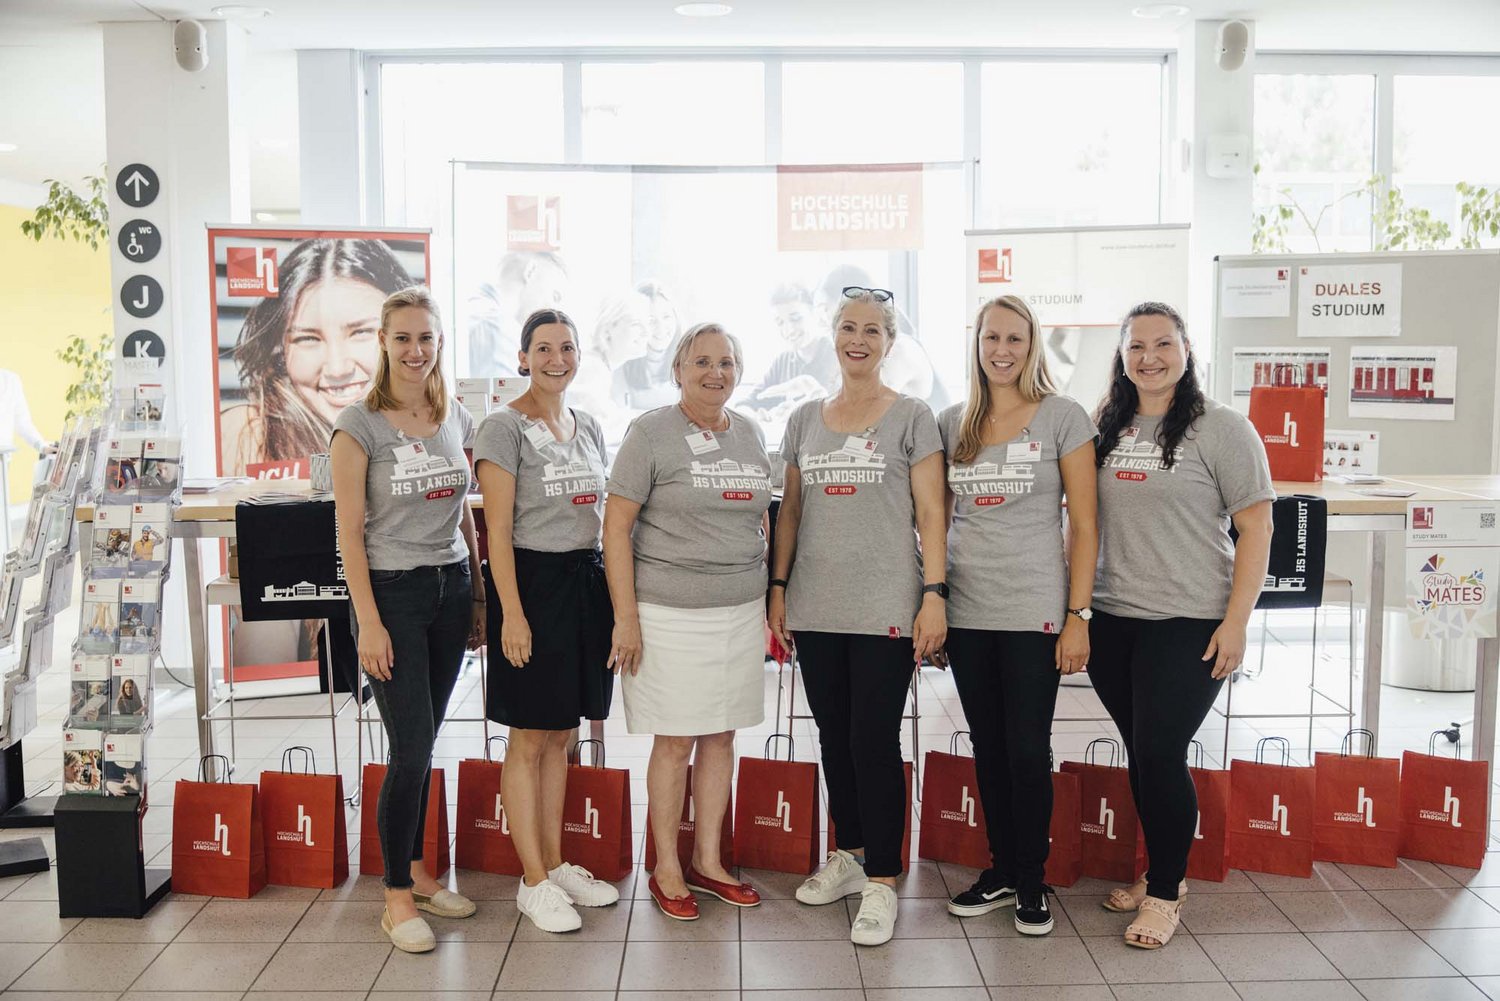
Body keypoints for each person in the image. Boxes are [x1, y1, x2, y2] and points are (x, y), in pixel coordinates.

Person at [1088, 301, 1273, 950]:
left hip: (1190, 621)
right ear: (1121, 354)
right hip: (1114, 619)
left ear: (1187, 348)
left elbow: (1257, 526)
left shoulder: (1221, 428)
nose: (1149, 357)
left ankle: (1166, 891)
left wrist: (1237, 622)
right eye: (1136, 345)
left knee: (1161, 753)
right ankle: (1159, 869)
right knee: (1143, 750)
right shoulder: (1107, 424)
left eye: (1163, 343)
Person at [768, 286, 947, 947]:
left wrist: (935, 592)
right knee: (834, 734)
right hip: (816, 602)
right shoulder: (805, 418)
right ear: (832, 334)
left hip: (885, 607)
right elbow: (789, 511)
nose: (859, 339)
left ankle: (883, 877)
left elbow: (932, 512)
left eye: (872, 329)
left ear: (889, 342)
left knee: (873, 738)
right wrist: (779, 587)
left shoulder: (912, 416)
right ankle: (847, 851)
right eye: (848, 327)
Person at [330, 285, 484, 954]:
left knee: (425, 738)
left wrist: (476, 593)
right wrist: (367, 621)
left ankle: (419, 871)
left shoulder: (457, 417)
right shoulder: (358, 424)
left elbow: (466, 514)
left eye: (426, 337)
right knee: (412, 744)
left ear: (440, 342)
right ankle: (395, 897)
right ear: (384, 343)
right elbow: (349, 534)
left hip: (450, 590)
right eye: (402, 338)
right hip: (391, 594)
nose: (415, 349)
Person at [938, 295, 1098, 935]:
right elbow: (937, 520)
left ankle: (1033, 879)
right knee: (988, 745)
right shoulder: (954, 422)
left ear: (1033, 346)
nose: (1002, 350)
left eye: (1015, 339)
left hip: (1034, 610)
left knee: (1028, 748)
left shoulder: (1062, 416)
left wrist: (1078, 614)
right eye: (991, 338)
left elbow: (1084, 525)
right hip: (970, 612)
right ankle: (1003, 869)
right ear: (976, 344)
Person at [604, 323, 772, 922]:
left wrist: (767, 592)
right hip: (668, 613)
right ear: (677, 369)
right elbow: (615, 529)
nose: (715, 372)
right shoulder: (650, 432)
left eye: (726, 362)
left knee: (722, 736)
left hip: (738, 610)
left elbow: (761, 519)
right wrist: (626, 618)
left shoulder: (749, 432)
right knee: (675, 741)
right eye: (701, 361)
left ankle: (709, 861)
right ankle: (667, 866)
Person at [473, 308, 619, 934]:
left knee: (562, 733)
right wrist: (511, 612)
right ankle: (531, 880)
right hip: (531, 585)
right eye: (543, 348)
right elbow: (496, 533)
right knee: (528, 736)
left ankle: (557, 864)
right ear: (522, 359)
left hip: (584, 584)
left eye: (566, 346)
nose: (556, 358)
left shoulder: (587, 426)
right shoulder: (502, 427)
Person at [222, 238, 415, 476]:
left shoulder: (427, 421)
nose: (337, 369)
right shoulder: (249, 431)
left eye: (361, 332)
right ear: (279, 348)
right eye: (308, 339)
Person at [741, 282, 840, 415]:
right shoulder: (782, 361)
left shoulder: (839, 358)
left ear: (814, 314)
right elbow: (747, 403)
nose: (789, 330)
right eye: (780, 322)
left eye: (796, 319)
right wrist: (754, 418)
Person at [467, 251, 569, 377]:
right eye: (555, 296)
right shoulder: (495, 326)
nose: (555, 310)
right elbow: (507, 395)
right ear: (531, 271)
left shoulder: (476, 311)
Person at [611, 281, 682, 411]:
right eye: (651, 320)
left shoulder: (690, 359)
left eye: (666, 317)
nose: (661, 327)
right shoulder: (621, 363)